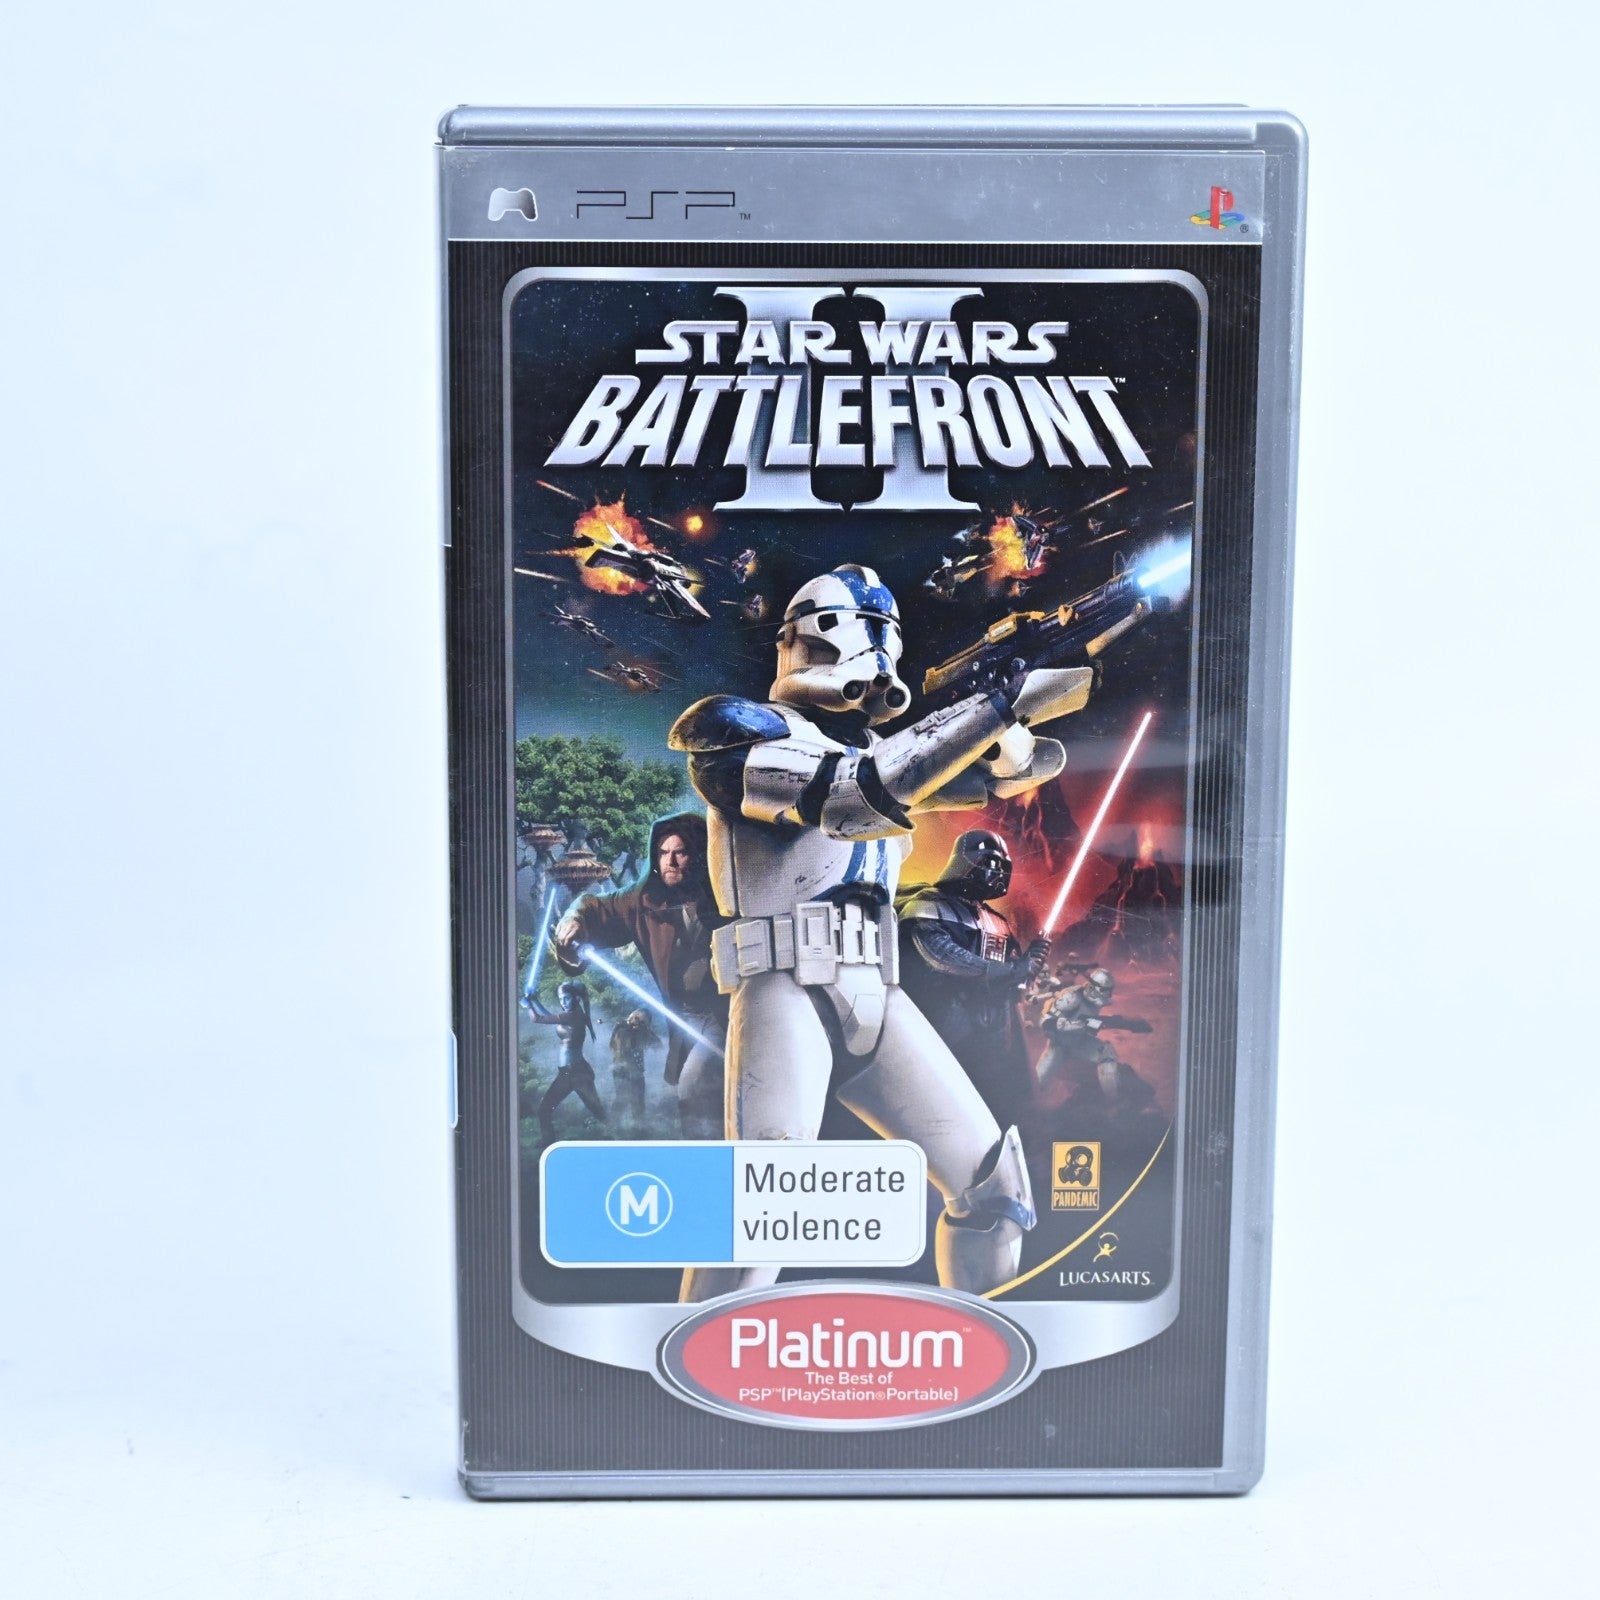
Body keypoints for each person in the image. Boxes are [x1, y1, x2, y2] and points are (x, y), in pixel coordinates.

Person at [667, 562, 1097, 1301]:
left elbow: (1005, 777)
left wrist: (1010, 712)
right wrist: (990, 706)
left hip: (876, 988)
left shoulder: (877, 750)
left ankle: (978, 1341)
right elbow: (850, 798)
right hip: (784, 987)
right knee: (764, 1212)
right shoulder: (738, 730)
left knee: (996, 1191)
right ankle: (686, 1365)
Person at [551, 814, 726, 1138]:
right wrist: (574, 918)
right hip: (686, 1020)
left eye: (680, 852)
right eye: (663, 852)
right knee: (694, 1101)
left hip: (728, 1016)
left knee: (697, 1087)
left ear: (698, 855)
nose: (670, 861)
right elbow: (596, 907)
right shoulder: (644, 901)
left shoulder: (727, 893)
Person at [897, 830, 1049, 1135]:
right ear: (966, 863)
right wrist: (1012, 970)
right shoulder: (928, 904)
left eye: (1003, 866)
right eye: (991, 863)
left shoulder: (997, 920)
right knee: (941, 1100)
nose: (998, 872)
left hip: (993, 1025)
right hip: (944, 1018)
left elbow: (1015, 976)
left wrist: (1031, 960)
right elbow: (946, 957)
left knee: (994, 1098)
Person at [1036, 968, 1156, 1118]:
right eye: (1104, 990)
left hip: (1080, 1042)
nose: (1106, 995)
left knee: (1106, 1052)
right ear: (1093, 988)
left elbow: (1096, 1021)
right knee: (1037, 1084)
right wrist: (1080, 1025)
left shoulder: (1094, 999)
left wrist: (1122, 1023)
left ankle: (1114, 1102)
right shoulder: (1071, 997)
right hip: (1058, 1046)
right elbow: (1047, 1023)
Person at [525, 980, 607, 1142]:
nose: (563, 1002)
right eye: (560, 999)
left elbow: (538, 1019)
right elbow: (549, 1016)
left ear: (576, 998)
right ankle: (622, 1134)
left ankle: (549, 1143)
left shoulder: (572, 1015)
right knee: (598, 1111)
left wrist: (527, 1005)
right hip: (574, 1072)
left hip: (574, 1073)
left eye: (567, 998)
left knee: (544, 1110)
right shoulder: (573, 1013)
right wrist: (534, 1001)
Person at [608, 1009, 659, 1132]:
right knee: (622, 1098)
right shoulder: (622, 1030)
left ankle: (638, 1128)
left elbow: (657, 1045)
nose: (637, 1023)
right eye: (636, 1019)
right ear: (631, 1017)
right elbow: (621, 1051)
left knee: (639, 1102)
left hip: (636, 1072)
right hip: (622, 1070)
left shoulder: (642, 1031)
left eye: (642, 1022)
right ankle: (613, 1127)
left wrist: (646, 1030)